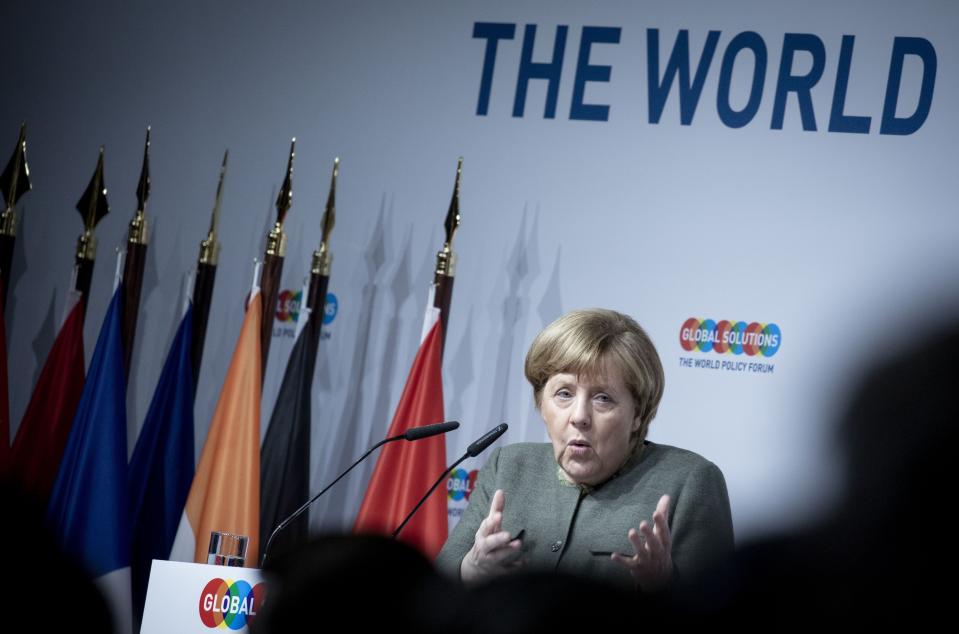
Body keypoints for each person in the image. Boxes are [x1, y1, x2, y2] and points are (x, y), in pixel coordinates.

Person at [436, 309, 734, 591]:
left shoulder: (690, 482)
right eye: (563, 394)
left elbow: (719, 610)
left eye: (603, 398)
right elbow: (438, 583)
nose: (579, 416)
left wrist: (665, 585)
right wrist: (473, 568)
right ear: (542, 404)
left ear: (638, 414)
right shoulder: (510, 466)